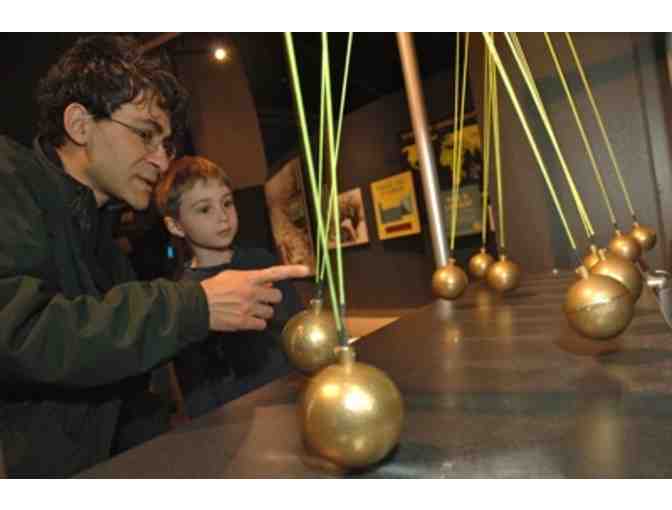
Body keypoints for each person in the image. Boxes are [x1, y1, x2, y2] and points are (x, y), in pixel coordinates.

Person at [0, 34, 308, 478]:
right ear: (80, 124)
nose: (161, 162)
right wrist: (194, 306)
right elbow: (21, 332)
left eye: (165, 145)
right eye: (145, 135)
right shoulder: (10, 180)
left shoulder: (105, 245)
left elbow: (129, 396)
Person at [154, 156, 303, 419]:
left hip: (291, 396)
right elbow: (194, 384)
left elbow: (297, 330)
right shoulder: (186, 298)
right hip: (237, 420)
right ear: (175, 225)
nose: (223, 216)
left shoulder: (263, 262)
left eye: (227, 203)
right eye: (204, 209)